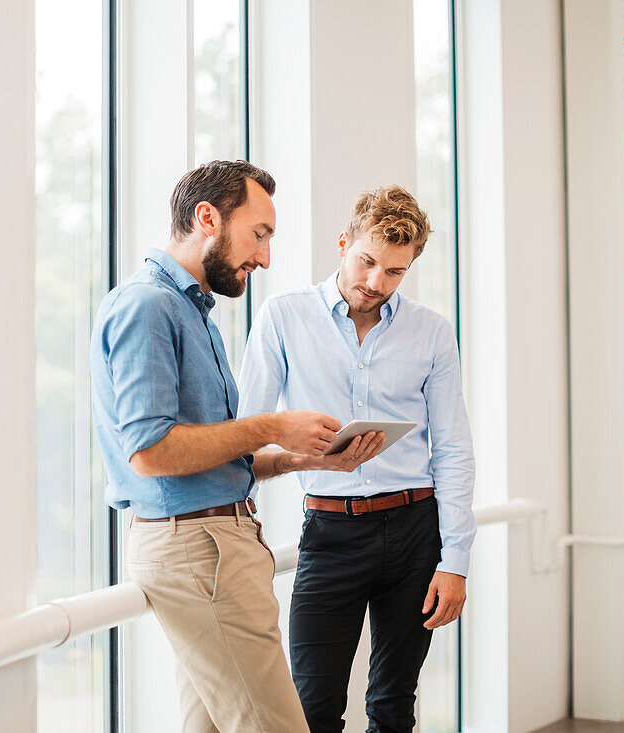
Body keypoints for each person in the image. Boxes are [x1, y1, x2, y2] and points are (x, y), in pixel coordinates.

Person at [90, 160, 385, 732]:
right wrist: (272, 425)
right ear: (208, 218)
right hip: (199, 551)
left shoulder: (188, 309)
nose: (265, 257)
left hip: (212, 544)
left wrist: (307, 456)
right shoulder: (148, 306)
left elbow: (214, 459)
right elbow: (150, 453)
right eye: (260, 234)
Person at [238, 185, 476, 733]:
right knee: (313, 709)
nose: (376, 283)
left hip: (417, 531)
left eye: (394, 272)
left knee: (394, 706)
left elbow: (454, 449)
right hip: (330, 532)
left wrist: (455, 559)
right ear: (344, 243)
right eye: (367, 261)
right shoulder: (283, 318)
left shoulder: (432, 333)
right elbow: (245, 437)